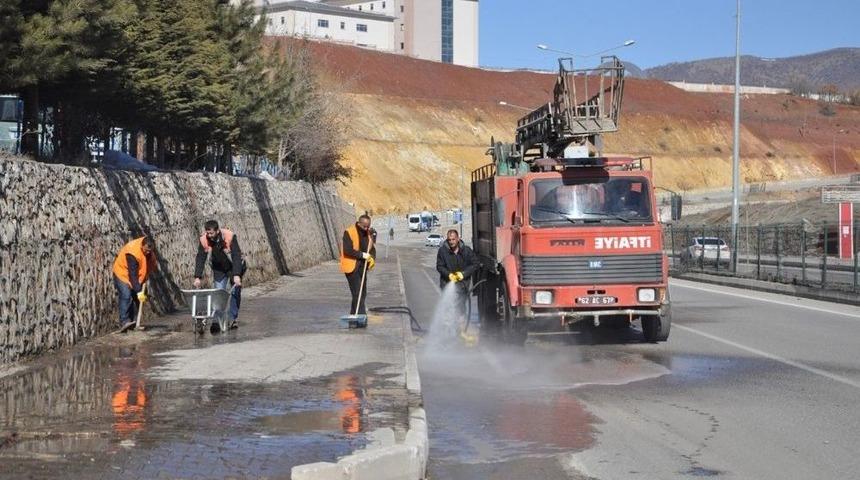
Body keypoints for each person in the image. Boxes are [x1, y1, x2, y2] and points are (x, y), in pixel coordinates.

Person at [193, 220, 244, 331]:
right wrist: (197, 276)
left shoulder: (229, 236)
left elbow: (236, 255)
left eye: (211, 233)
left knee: (236, 291)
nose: (209, 235)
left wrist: (236, 275)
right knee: (218, 294)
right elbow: (200, 258)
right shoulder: (204, 240)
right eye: (208, 233)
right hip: (219, 269)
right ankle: (217, 321)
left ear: (217, 230)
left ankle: (232, 319)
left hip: (232, 267)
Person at [112, 236, 157, 331]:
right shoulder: (132, 252)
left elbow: (149, 266)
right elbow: (132, 275)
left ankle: (131, 322)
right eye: (146, 250)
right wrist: (139, 291)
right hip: (122, 273)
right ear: (142, 246)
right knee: (126, 295)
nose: (148, 252)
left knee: (134, 297)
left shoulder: (150, 252)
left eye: (150, 251)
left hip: (136, 276)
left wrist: (144, 280)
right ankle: (124, 321)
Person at [436, 229, 479, 323]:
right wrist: (449, 275)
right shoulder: (443, 251)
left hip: (463, 284)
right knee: (449, 306)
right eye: (449, 240)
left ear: (458, 239)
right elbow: (439, 266)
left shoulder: (466, 251)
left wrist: (463, 274)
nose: (451, 242)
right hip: (447, 283)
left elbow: (475, 264)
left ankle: (460, 327)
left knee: (460, 306)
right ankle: (449, 328)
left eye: (453, 239)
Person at [340, 215, 377, 316]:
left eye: (368, 226)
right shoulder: (349, 232)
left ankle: (353, 314)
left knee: (362, 292)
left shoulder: (368, 233)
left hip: (362, 267)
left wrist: (372, 258)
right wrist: (362, 255)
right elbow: (347, 250)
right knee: (357, 292)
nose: (366, 228)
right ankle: (361, 316)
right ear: (359, 223)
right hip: (351, 267)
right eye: (364, 226)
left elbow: (372, 249)